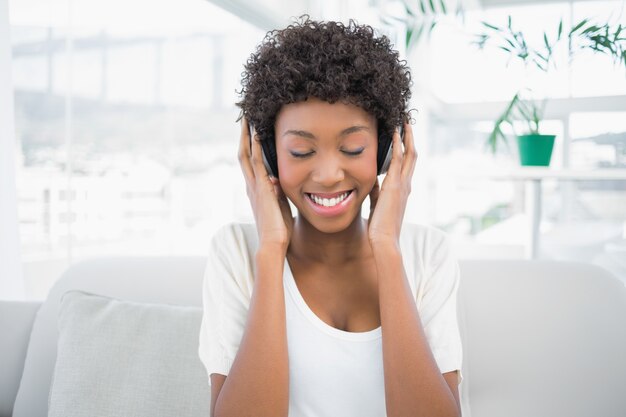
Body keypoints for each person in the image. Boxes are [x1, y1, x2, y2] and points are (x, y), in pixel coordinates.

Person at [198, 15, 463, 417]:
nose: (327, 175)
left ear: (386, 152)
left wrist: (387, 250)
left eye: (353, 148)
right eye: (301, 152)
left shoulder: (429, 253)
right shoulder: (236, 252)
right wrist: (271, 252)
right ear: (268, 155)